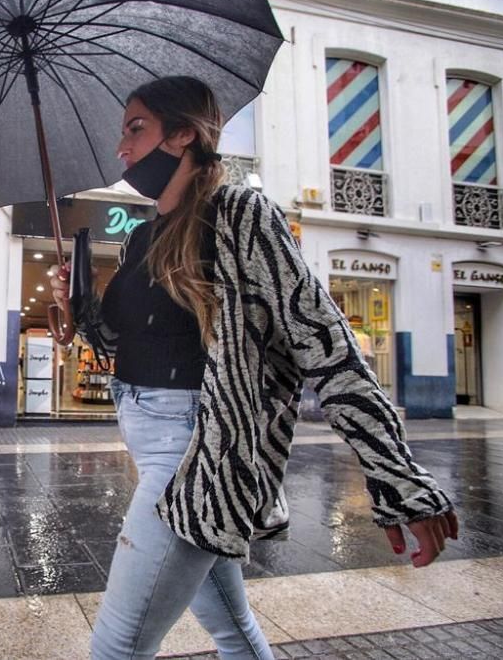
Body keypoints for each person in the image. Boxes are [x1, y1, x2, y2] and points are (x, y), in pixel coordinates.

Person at [50, 76, 458, 660]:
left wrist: (399, 480)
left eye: (135, 129)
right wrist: (79, 309)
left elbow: (328, 344)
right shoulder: (140, 238)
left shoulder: (241, 216)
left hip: (197, 455)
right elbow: (118, 342)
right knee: (233, 630)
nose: (123, 148)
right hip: (146, 440)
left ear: (184, 134)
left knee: (116, 647)